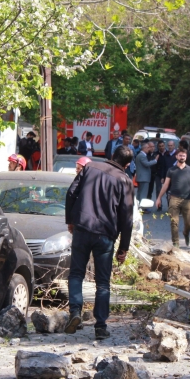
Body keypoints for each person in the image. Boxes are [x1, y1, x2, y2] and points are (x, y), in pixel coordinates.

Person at [64, 145, 134, 340]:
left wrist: (70, 220)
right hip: (105, 235)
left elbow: (71, 193)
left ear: (112, 156)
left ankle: (75, 312)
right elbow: (127, 218)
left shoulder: (90, 167)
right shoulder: (125, 181)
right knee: (102, 282)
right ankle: (101, 326)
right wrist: (123, 248)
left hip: (82, 229)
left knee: (76, 273)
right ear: (126, 165)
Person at [155, 148, 190, 247]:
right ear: (176, 157)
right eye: (180, 155)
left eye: (183, 155)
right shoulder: (171, 170)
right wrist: (159, 198)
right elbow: (166, 185)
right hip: (174, 199)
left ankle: (186, 233)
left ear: (186, 157)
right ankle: (176, 244)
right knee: (174, 223)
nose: (182, 157)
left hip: (187, 199)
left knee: (189, 223)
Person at [134, 142, 158, 212]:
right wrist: (155, 160)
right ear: (144, 148)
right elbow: (146, 164)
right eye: (148, 147)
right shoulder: (142, 155)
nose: (149, 149)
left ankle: (138, 206)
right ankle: (142, 208)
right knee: (143, 193)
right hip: (144, 177)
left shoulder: (140, 155)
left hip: (141, 177)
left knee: (140, 192)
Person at [152, 140, 167, 211]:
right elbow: (154, 165)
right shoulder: (156, 154)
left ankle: (170, 206)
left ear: (165, 146)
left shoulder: (168, 154)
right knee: (158, 189)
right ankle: (159, 205)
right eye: (160, 146)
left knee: (168, 191)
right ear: (158, 147)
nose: (161, 147)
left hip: (167, 174)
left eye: (162, 146)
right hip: (158, 174)